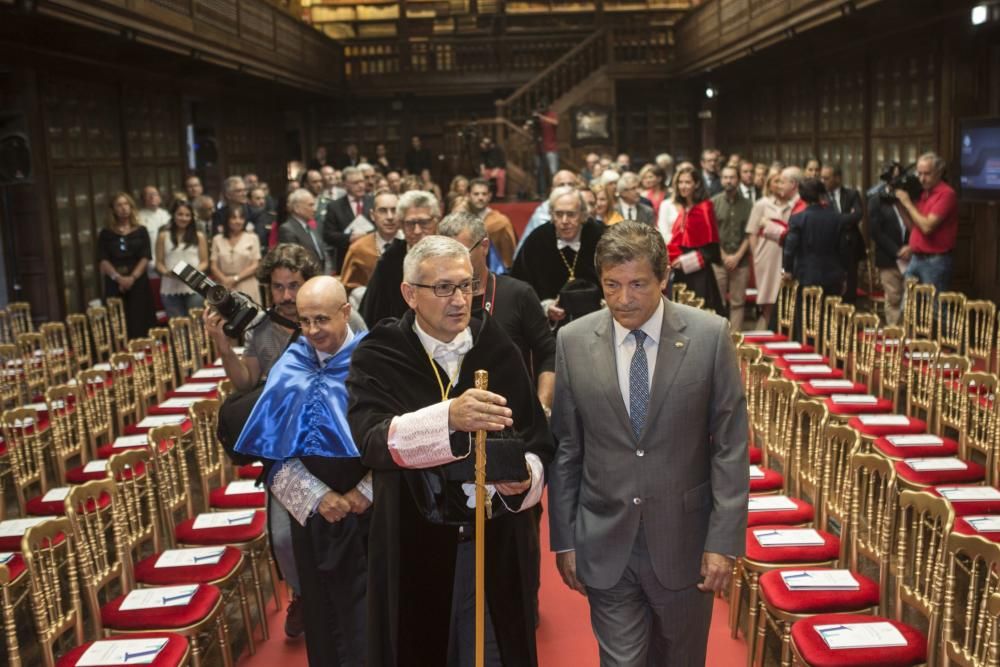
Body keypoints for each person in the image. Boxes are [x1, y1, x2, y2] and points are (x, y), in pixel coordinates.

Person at [346, 235, 554, 667]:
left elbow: (537, 440)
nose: (459, 300)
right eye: (443, 288)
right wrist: (449, 419)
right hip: (413, 542)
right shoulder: (380, 353)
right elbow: (371, 441)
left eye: (467, 285)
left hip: (494, 542)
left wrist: (524, 481)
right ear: (410, 294)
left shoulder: (497, 346)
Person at [549, 221, 748, 666]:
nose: (624, 299)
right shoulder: (573, 341)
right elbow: (567, 448)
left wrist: (724, 540)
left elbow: (730, 446)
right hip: (604, 541)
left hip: (686, 543)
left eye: (638, 284)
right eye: (612, 285)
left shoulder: (709, 336)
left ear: (664, 278)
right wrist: (565, 540)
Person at [234, 276, 371, 666]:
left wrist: (368, 490)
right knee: (324, 616)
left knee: (370, 617)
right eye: (305, 321)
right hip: (313, 516)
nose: (312, 331)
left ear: (346, 313)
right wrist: (315, 496)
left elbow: (393, 437)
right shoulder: (290, 364)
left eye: (322, 320)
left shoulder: (373, 359)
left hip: (367, 516)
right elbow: (271, 453)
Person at [205, 244, 323, 638]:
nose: (287, 297)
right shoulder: (262, 327)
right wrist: (223, 346)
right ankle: (303, 595)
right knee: (285, 536)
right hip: (283, 447)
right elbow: (244, 382)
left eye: (295, 285)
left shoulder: (336, 314)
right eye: (279, 287)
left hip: (329, 439)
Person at [511, 186, 604, 326]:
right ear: (551, 215)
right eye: (559, 214)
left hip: (599, 320)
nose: (564, 221)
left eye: (571, 214)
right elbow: (519, 285)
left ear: (583, 215)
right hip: (551, 327)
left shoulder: (600, 236)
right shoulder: (538, 239)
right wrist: (545, 307)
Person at [359, 190, 440, 327]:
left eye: (424, 222)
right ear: (401, 225)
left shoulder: (451, 255)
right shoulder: (388, 262)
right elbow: (373, 315)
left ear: (436, 221)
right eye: (410, 224)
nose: (417, 231)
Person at [784, 178, 847, 340]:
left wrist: (788, 270)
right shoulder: (836, 218)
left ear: (802, 196)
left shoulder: (798, 219)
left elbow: (790, 248)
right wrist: (844, 275)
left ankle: (808, 352)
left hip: (807, 275)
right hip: (833, 275)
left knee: (807, 320)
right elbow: (843, 250)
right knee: (830, 320)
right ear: (821, 194)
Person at [658, 166, 724, 313]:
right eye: (680, 182)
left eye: (688, 182)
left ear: (697, 184)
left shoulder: (704, 207)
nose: (683, 186)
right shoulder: (683, 208)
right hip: (681, 272)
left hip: (699, 274)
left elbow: (711, 249)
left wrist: (685, 261)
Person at [746, 167, 803, 327]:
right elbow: (752, 232)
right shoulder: (761, 204)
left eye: (782, 181)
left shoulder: (795, 205)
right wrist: (756, 256)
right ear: (769, 184)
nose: (779, 185)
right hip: (766, 258)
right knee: (768, 301)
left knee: (785, 300)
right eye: (776, 181)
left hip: (786, 257)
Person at [894, 152, 958, 293]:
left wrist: (908, 203)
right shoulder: (924, 193)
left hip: (935, 262)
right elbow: (915, 227)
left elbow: (927, 227)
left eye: (927, 174)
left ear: (939, 172)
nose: (922, 179)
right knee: (909, 308)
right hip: (916, 258)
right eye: (919, 173)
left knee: (934, 310)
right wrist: (900, 207)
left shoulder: (946, 194)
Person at [98, 192, 158, 339]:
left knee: (139, 319)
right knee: (117, 321)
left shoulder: (141, 230)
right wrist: (118, 278)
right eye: (119, 205)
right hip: (114, 281)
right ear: (113, 209)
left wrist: (131, 278)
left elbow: (145, 257)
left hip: (138, 280)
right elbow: (103, 259)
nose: (123, 208)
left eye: (126, 204)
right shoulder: (105, 233)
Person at [711, 166, 753, 330]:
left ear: (738, 180)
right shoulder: (714, 202)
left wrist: (736, 257)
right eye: (726, 177)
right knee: (718, 302)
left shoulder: (749, 204)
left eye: (732, 177)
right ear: (721, 180)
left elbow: (750, 234)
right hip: (718, 260)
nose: (729, 181)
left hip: (740, 261)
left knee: (738, 302)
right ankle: (719, 339)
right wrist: (723, 256)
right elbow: (712, 233)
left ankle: (736, 341)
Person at [867, 166, 910, 324]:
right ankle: (895, 336)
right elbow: (875, 232)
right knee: (893, 298)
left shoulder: (909, 197)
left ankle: (909, 337)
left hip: (911, 256)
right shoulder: (876, 199)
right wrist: (897, 251)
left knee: (910, 300)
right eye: (894, 177)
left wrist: (911, 247)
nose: (898, 181)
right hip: (889, 257)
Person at [341, 190, 402, 294]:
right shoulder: (358, 249)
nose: (390, 217)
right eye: (383, 211)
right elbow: (347, 287)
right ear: (372, 215)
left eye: (394, 210)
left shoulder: (411, 245)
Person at [155, 200, 208, 318]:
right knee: (178, 327)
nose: (184, 218)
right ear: (173, 215)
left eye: (187, 215)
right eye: (180, 214)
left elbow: (204, 262)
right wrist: (166, 273)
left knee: (196, 325)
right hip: (170, 286)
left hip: (194, 286)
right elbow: (159, 262)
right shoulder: (163, 235)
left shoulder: (199, 236)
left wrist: (190, 274)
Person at [820, 164, 864, 303]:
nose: (822, 181)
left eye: (826, 178)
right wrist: (844, 218)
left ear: (837, 178)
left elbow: (857, 215)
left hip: (850, 248)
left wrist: (835, 219)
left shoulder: (851, 194)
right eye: (822, 178)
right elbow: (823, 219)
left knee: (850, 290)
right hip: (829, 249)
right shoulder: (820, 197)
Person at [321, 166, 374, 273]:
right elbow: (328, 235)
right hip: (347, 260)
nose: (361, 186)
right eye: (355, 183)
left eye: (362, 182)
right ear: (345, 185)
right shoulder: (334, 207)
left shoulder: (373, 201)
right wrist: (349, 238)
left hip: (372, 258)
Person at [515, 170, 580, 255]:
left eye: (571, 184)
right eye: (561, 185)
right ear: (552, 190)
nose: (566, 188)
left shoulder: (583, 207)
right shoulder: (541, 215)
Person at [210, 206, 261, 299]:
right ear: (227, 220)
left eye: (241, 218)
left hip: (247, 284)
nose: (238, 221)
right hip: (224, 284)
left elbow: (255, 265)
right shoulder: (217, 239)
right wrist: (225, 280)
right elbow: (213, 266)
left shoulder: (252, 238)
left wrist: (236, 278)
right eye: (234, 218)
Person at [467, 178, 517, 269]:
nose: (480, 197)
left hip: (494, 271)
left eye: (484, 194)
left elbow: (508, 254)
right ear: (468, 195)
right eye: (476, 194)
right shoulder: (461, 220)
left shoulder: (501, 222)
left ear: (490, 196)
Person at [279, 188, 328, 270]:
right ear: (297, 208)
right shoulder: (287, 229)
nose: (315, 209)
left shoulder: (312, 226)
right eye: (310, 205)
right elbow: (293, 260)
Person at [138, 185, 171, 276]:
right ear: (143, 198)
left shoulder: (167, 215)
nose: (152, 197)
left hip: (169, 262)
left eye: (155, 194)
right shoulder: (138, 217)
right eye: (148, 195)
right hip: (150, 265)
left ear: (160, 198)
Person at [248, 186, 276, 252]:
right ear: (249, 201)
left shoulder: (272, 218)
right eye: (258, 199)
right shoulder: (244, 218)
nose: (262, 201)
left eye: (263, 198)